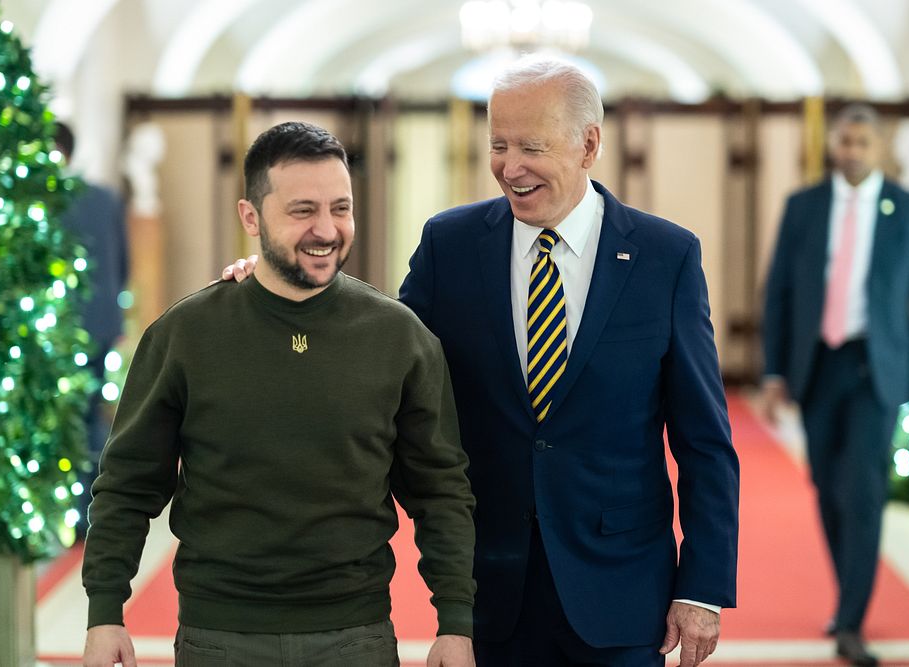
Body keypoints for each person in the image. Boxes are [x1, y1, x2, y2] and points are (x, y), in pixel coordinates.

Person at [225, 58, 739, 667]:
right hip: (489, 589)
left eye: (530, 146)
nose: (509, 167)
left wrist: (702, 586)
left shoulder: (665, 256)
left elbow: (704, 440)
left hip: (622, 591)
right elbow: (377, 352)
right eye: (498, 144)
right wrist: (280, 291)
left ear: (589, 145)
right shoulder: (451, 245)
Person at [81, 121, 476, 667]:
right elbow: (126, 485)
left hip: (355, 634)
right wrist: (105, 611)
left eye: (341, 208)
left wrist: (455, 622)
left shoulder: (399, 337)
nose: (326, 229)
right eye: (302, 210)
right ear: (250, 217)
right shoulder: (185, 336)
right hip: (218, 634)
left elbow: (441, 491)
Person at [761, 103, 909, 666]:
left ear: (878, 147)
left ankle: (852, 620)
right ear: (833, 145)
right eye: (845, 141)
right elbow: (780, 293)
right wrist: (772, 373)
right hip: (817, 365)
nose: (853, 152)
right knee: (826, 487)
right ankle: (848, 601)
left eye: (863, 143)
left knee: (862, 492)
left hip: (877, 368)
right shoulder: (804, 206)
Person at [54, 122, 130, 539]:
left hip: (59, 329)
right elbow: (124, 263)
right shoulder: (105, 199)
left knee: (63, 420)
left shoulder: (46, 200)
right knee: (92, 419)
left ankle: (65, 513)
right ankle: (89, 513)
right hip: (101, 322)